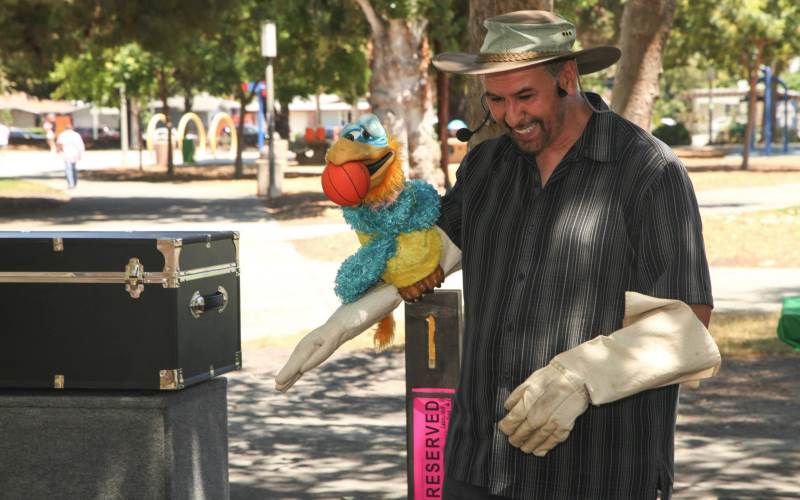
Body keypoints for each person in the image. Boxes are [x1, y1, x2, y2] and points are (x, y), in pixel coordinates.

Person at [275, 10, 720, 499]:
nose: (511, 116)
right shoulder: (486, 164)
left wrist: (581, 378)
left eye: (525, 96)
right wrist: (348, 318)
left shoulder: (649, 171)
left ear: (567, 78)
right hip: (479, 463)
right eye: (496, 99)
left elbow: (688, 322)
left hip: (598, 470)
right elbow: (427, 254)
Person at [56, 122, 84, 189]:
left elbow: (59, 144)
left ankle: (71, 183)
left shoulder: (62, 135)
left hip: (66, 153)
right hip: (75, 153)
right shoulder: (76, 135)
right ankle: (74, 182)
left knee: (68, 168)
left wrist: (59, 151)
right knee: (73, 168)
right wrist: (81, 152)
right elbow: (80, 145)